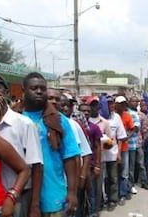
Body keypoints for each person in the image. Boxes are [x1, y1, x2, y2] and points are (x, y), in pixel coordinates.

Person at [0, 76, 44, 217]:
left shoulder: (24, 124)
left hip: (19, 197)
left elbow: (37, 166)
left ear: (6, 93)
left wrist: (34, 205)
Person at [21, 72, 81, 217]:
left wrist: (72, 192)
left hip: (53, 196)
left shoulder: (59, 121)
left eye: (43, 88)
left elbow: (70, 157)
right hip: (22, 195)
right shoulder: (16, 118)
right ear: (23, 91)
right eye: (34, 88)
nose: (39, 91)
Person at [47, 88, 93, 217]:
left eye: (66, 105)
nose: (65, 108)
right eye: (63, 105)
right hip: (53, 183)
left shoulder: (73, 125)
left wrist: (82, 176)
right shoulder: (40, 123)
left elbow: (85, 153)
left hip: (71, 182)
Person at [78, 103, 103, 217]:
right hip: (78, 166)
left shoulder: (94, 128)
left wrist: (97, 165)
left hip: (91, 165)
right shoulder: (74, 126)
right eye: (83, 111)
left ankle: (93, 212)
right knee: (79, 194)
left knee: (91, 191)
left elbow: (98, 147)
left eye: (88, 111)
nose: (86, 113)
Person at [114, 95, 136, 205]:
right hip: (112, 149)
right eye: (120, 104)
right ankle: (113, 195)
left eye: (124, 104)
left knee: (124, 172)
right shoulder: (111, 117)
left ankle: (122, 194)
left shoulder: (127, 116)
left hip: (124, 148)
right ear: (116, 105)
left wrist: (127, 136)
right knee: (113, 173)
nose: (123, 106)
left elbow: (133, 129)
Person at [127, 96, 148, 191]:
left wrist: (144, 140)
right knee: (131, 166)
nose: (135, 103)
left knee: (141, 164)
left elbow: (144, 130)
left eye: (137, 101)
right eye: (133, 101)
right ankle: (131, 184)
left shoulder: (141, 115)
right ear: (129, 102)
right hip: (129, 143)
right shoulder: (127, 114)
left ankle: (144, 181)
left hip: (139, 142)